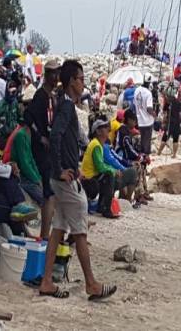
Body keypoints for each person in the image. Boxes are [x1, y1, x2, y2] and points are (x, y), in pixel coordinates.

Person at [39, 60, 117, 301]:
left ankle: (46, 281)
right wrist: (62, 168)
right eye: (81, 79)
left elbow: (63, 139)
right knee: (80, 230)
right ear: (72, 81)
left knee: (58, 228)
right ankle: (91, 284)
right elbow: (56, 136)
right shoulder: (66, 107)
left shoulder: (65, 106)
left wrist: (69, 166)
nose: (84, 83)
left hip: (63, 175)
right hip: (64, 179)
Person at [25, 59, 60, 239]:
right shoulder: (40, 96)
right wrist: (40, 137)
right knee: (49, 192)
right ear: (47, 75)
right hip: (41, 149)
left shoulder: (52, 96)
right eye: (53, 73)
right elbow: (28, 118)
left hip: (49, 148)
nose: (56, 77)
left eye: (57, 73)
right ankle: (45, 235)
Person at [81, 117, 137, 218]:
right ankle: (106, 209)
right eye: (104, 127)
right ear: (98, 131)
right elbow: (101, 166)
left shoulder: (98, 144)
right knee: (110, 175)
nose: (108, 129)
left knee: (110, 175)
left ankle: (103, 205)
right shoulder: (97, 145)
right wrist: (114, 170)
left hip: (92, 177)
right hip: (90, 180)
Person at [116, 109, 147, 206]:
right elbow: (128, 148)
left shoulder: (125, 130)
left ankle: (140, 193)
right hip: (121, 158)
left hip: (123, 157)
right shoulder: (124, 131)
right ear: (129, 120)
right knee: (138, 166)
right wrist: (139, 157)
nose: (135, 123)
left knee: (142, 165)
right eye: (134, 120)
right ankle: (134, 196)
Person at [0, 79, 21, 149]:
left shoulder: (15, 102)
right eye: (11, 92)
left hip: (15, 134)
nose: (13, 94)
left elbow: (19, 117)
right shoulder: (1, 105)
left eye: (15, 92)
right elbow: (0, 125)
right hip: (4, 137)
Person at [133, 73, 155, 156]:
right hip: (147, 122)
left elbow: (134, 103)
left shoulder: (137, 90)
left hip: (138, 121)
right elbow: (149, 108)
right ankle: (145, 160)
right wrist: (154, 114)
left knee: (140, 142)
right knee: (146, 144)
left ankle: (140, 157)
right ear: (149, 83)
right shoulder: (148, 93)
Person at [157, 93, 181, 158]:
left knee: (164, 138)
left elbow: (165, 114)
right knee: (175, 139)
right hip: (177, 123)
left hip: (169, 123)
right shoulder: (178, 102)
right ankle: (174, 154)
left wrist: (163, 122)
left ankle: (159, 152)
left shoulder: (168, 104)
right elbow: (180, 114)